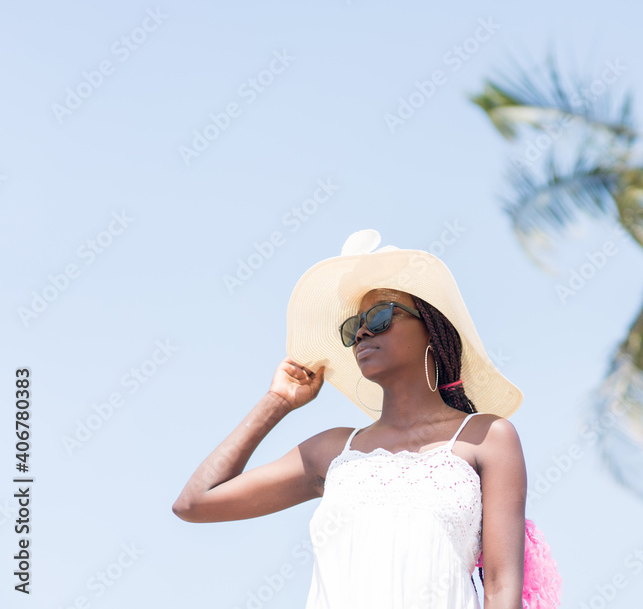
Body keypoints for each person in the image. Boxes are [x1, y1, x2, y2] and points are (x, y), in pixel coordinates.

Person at [172, 229, 529, 609]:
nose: (360, 331)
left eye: (379, 317)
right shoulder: (333, 450)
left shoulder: (487, 437)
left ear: (431, 329)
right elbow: (194, 503)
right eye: (353, 326)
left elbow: (501, 586)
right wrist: (276, 402)